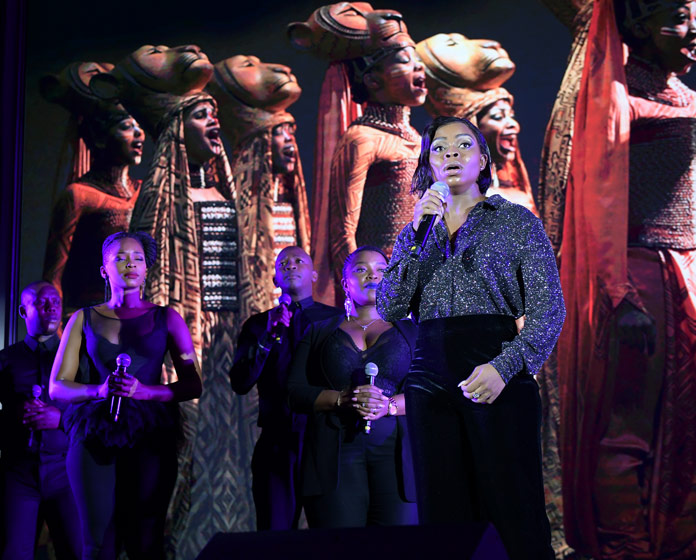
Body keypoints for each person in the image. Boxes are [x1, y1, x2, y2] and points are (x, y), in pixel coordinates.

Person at [92, 44, 256, 554]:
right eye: (201, 116)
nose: (213, 123)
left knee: (230, 444)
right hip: (188, 333)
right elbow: (150, 282)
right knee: (186, 447)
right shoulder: (161, 197)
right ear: (177, 130)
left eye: (214, 115)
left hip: (227, 337)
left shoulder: (225, 194)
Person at [377, 116, 564, 560]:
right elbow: (389, 306)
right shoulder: (414, 231)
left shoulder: (516, 222)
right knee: (445, 520)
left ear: (482, 160)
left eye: (463, 145)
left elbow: (549, 311)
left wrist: (504, 368)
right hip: (429, 378)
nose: (451, 154)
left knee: (513, 512)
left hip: (495, 366)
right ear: (428, 164)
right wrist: (419, 234)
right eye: (439, 148)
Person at [552, 1, 696, 557]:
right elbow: (598, 198)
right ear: (637, 24)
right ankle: (625, 547)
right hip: (640, 271)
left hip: (686, 268)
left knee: (684, 422)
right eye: (678, 16)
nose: (693, 29)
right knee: (629, 423)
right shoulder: (613, 95)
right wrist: (618, 293)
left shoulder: (684, 94)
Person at [49, 231, 202, 560]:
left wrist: (145, 391)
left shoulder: (167, 317)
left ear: (146, 270)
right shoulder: (83, 318)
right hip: (95, 431)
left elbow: (193, 384)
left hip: (150, 433)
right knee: (97, 543)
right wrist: (99, 390)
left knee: (146, 541)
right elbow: (57, 386)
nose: (130, 264)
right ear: (104, 270)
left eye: (137, 259)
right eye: (120, 258)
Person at [288, 3, 425, 306]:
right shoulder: (361, 139)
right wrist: (364, 300)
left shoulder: (418, 139)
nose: (418, 67)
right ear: (373, 80)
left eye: (418, 60)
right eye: (404, 61)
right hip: (383, 289)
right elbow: (342, 236)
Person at [286, 246, 417, 528]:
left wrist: (389, 405)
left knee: (399, 546)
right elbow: (293, 392)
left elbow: (433, 390)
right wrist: (341, 399)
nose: (373, 275)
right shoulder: (319, 331)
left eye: (381, 270)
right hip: (334, 457)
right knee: (341, 545)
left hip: (397, 457)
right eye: (361, 269)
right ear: (345, 283)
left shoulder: (412, 331)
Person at [229, 246, 340, 530]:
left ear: (314, 274)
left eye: (299, 261)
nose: (291, 265)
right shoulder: (258, 325)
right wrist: (268, 336)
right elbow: (240, 382)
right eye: (283, 263)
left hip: (325, 438)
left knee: (332, 533)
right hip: (277, 441)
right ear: (275, 279)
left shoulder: (336, 321)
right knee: (274, 534)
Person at [0, 281, 80, 560]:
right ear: (23, 311)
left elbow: (99, 416)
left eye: (56, 302)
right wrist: (12, 417)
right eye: (42, 302)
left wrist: (61, 418)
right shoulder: (2, 361)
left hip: (67, 472)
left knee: (78, 553)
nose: (51, 307)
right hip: (17, 473)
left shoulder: (79, 361)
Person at [40, 61, 146, 318]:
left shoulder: (146, 192)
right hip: (91, 324)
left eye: (138, 125)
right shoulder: (79, 196)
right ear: (99, 137)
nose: (139, 134)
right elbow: (53, 278)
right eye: (126, 127)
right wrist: (60, 331)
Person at [205, 55, 312, 306]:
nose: (289, 139)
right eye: (278, 132)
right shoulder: (225, 205)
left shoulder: (290, 203)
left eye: (291, 131)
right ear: (259, 144)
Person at [416, 32, 539, 215]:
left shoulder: (518, 195)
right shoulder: (447, 199)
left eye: (510, 115)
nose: (513, 125)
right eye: (497, 117)